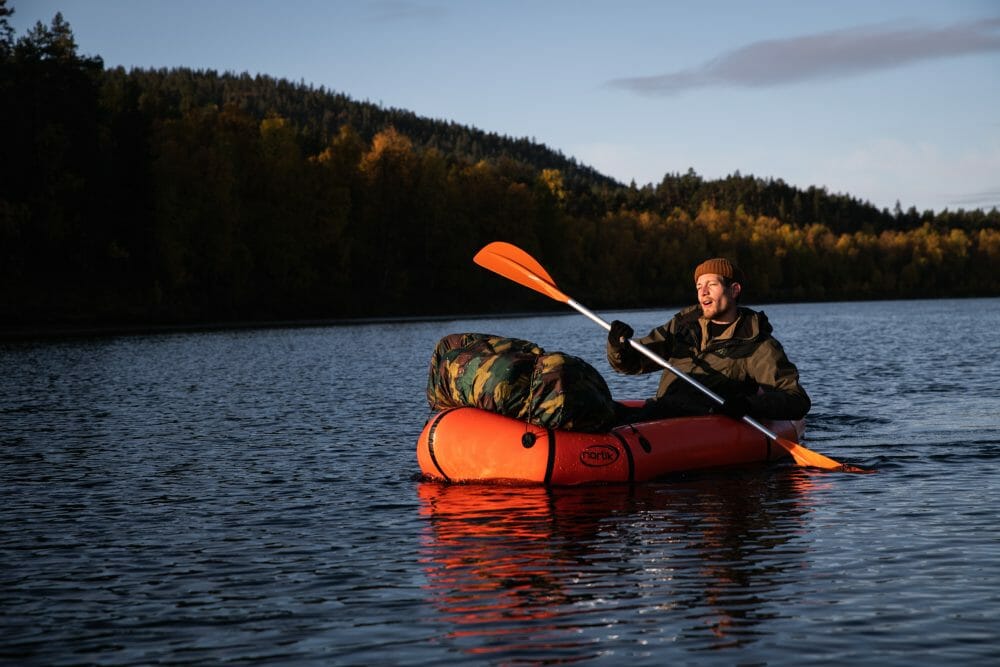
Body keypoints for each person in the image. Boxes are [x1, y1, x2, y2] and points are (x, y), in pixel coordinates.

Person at [607, 257, 810, 423]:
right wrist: (618, 345)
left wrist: (749, 405)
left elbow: (796, 399)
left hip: (702, 424)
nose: (703, 292)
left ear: (734, 290)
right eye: (699, 286)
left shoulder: (757, 344)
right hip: (661, 414)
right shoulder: (682, 326)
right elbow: (631, 364)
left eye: (711, 284)